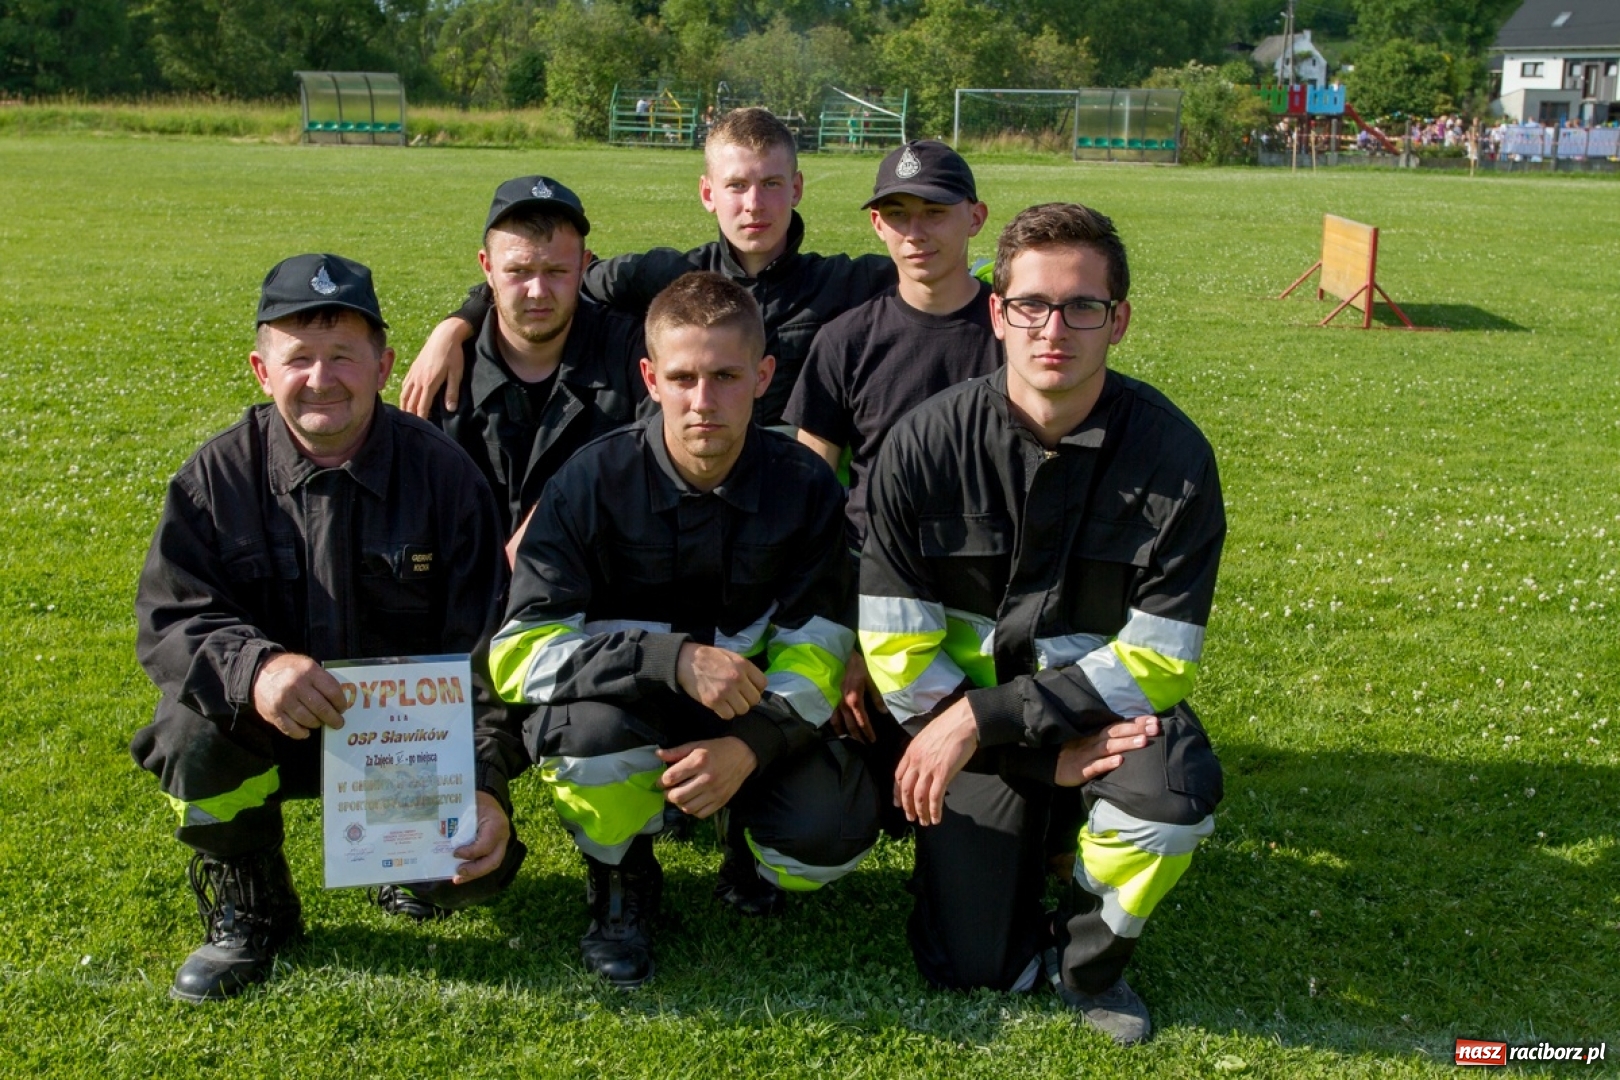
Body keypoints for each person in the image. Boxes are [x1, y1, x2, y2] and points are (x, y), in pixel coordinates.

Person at [857, 204, 1225, 1045]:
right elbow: (896, 652)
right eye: (1030, 305)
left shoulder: (1175, 458)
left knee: (1166, 803)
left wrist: (990, 724)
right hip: (962, 727)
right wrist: (1028, 758)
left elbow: (1161, 661)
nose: (1053, 328)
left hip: (1094, 720)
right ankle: (1039, 832)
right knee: (970, 967)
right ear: (996, 312)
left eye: (1081, 307)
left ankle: (1088, 958)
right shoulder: (921, 446)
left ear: (1118, 320)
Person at [131, 254, 518, 1002]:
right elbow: (172, 618)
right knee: (187, 735)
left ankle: (404, 866)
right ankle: (252, 901)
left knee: (469, 879)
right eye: (298, 358)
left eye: (343, 355)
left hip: (404, 745)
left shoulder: (447, 477)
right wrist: (257, 670)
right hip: (269, 728)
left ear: (384, 363)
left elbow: (490, 645)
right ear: (260, 368)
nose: (321, 377)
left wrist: (490, 783)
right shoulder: (214, 478)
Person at [478, 272, 879, 987]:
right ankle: (621, 877)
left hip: (751, 716)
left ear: (763, 376)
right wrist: (667, 659)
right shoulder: (589, 482)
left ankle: (744, 844)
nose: (703, 401)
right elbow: (517, 656)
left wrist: (751, 746)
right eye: (684, 376)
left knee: (831, 835)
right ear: (650, 378)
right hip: (622, 710)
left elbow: (817, 649)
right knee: (591, 748)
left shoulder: (807, 487)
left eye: (726, 376)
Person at [398, 107, 896, 428]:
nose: (754, 204)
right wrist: (458, 323)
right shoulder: (667, 277)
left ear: (797, 188)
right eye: (736, 185)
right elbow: (554, 277)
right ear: (707, 193)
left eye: (771, 184)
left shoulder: (844, 282)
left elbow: (935, 276)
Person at [430, 174, 646, 563]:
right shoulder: (444, 379)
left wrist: (550, 516)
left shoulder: (632, 354)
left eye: (557, 272)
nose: (538, 292)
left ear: (583, 266)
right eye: (519, 272)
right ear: (487, 267)